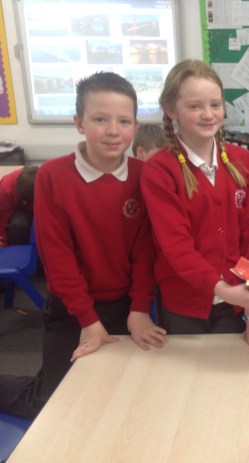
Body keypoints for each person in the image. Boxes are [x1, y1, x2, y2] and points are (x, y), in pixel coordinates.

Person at [0, 72, 167, 419]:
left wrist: (139, 308)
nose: (113, 130)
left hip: (125, 305)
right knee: (52, 403)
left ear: (135, 125)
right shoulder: (53, 176)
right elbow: (57, 259)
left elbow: (145, 252)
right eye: (100, 119)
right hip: (72, 309)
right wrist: (88, 320)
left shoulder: (143, 175)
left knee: (125, 395)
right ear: (79, 123)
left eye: (123, 121)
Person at [140, 59, 249, 345]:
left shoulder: (243, 162)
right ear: (171, 110)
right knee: (187, 370)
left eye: (215, 105)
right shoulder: (159, 170)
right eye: (195, 106)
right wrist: (227, 291)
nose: (208, 114)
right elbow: (176, 247)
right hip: (184, 304)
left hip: (236, 303)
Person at [0, 166, 38, 246]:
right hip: (17, 209)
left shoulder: (50, 186)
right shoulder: (6, 188)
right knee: (18, 225)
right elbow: (3, 218)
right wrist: (4, 243)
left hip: (39, 206)